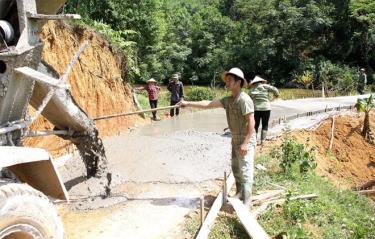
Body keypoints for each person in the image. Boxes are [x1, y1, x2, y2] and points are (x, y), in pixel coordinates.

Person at [179, 67, 256, 206]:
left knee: (245, 170)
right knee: (236, 168)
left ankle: (247, 202)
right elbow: (208, 104)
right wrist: (187, 103)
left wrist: (245, 143)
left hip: (246, 140)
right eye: (226, 80)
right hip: (235, 139)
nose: (227, 82)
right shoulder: (228, 100)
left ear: (239, 82)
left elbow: (252, 121)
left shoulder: (244, 100)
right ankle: (239, 194)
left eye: (230, 80)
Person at [248, 76, 279, 146]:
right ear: (261, 82)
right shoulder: (265, 86)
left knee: (255, 125)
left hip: (256, 109)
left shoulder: (252, 89)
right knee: (265, 124)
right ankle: (262, 141)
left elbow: (247, 99)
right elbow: (275, 90)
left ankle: (254, 141)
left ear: (254, 83)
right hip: (266, 108)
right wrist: (276, 96)